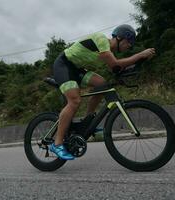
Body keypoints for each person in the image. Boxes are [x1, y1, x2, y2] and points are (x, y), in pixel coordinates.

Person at [50, 24, 156, 160]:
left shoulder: (107, 53)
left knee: (102, 84)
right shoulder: (101, 40)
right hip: (64, 65)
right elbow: (116, 64)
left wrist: (141, 61)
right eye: (129, 42)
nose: (129, 46)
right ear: (119, 37)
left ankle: (88, 121)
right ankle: (57, 143)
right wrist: (139, 55)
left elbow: (117, 69)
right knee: (75, 100)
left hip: (77, 70)